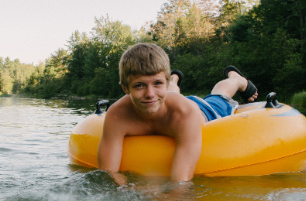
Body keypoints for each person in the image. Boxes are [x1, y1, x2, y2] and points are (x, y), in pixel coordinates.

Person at [98, 43, 258, 185]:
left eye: (158, 82)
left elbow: (180, 183)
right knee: (164, 96)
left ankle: (236, 79)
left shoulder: (184, 116)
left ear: (164, 83)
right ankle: (174, 80)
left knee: (218, 96)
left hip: (201, 110)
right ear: (126, 89)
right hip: (169, 100)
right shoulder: (117, 116)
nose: (149, 93)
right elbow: (108, 173)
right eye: (139, 86)